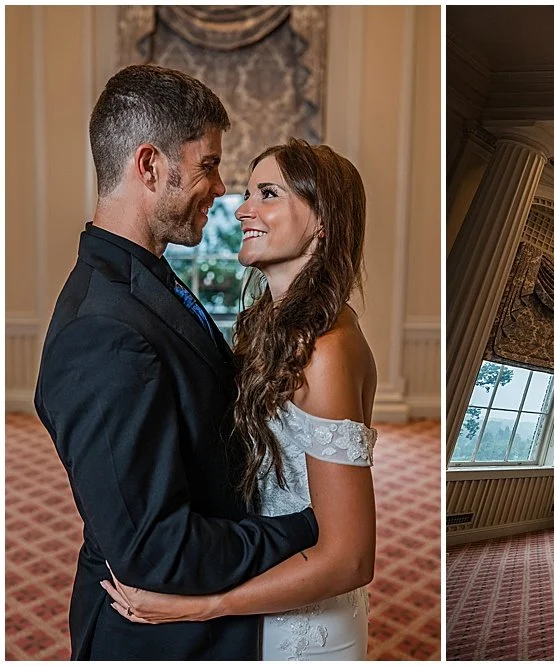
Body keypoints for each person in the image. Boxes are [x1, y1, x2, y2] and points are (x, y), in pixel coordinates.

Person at [36, 64, 319, 661]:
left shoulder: (142, 278)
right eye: (209, 165)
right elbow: (157, 552)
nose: (222, 189)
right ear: (149, 166)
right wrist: (308, 529)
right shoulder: (102, 333)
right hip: (161, 639)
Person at [86, 134, 382, 658]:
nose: (242, 208)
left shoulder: (328, 352)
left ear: (323, 220)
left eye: (268, 193)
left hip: (302, 624)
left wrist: (204, 604)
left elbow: (350, 558)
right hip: (260, 583)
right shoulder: (268, 324)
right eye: (248, 192)